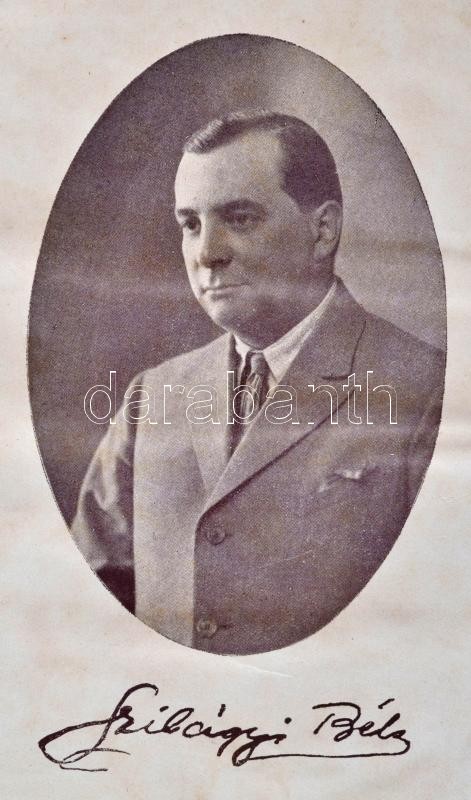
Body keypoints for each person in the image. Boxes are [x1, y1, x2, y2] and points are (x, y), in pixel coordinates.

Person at [71, 110, 445, 655]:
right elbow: (84, 615)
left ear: (323, 230)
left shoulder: (427, 391)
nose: (207, 252)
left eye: (240, 218)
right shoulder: (152, 396)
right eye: (190, 224)